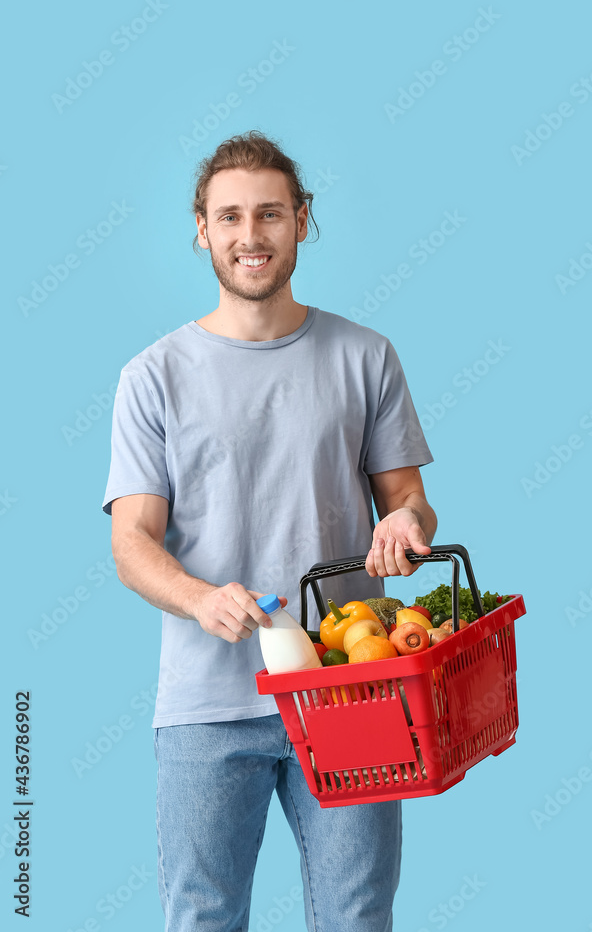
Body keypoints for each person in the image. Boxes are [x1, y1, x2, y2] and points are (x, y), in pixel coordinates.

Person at [102, 130, 437, 932]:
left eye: (269, 215)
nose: (249, 236)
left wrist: (403, 521)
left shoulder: (365, 356)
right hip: (207, 702)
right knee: (203, 919)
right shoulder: (152, 377)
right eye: (229, 218)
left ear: (301, 220)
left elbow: (412, 503)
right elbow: (132, 541)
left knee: (358, 917)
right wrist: (194, 597)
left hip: (350, 685)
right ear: (201, 228)